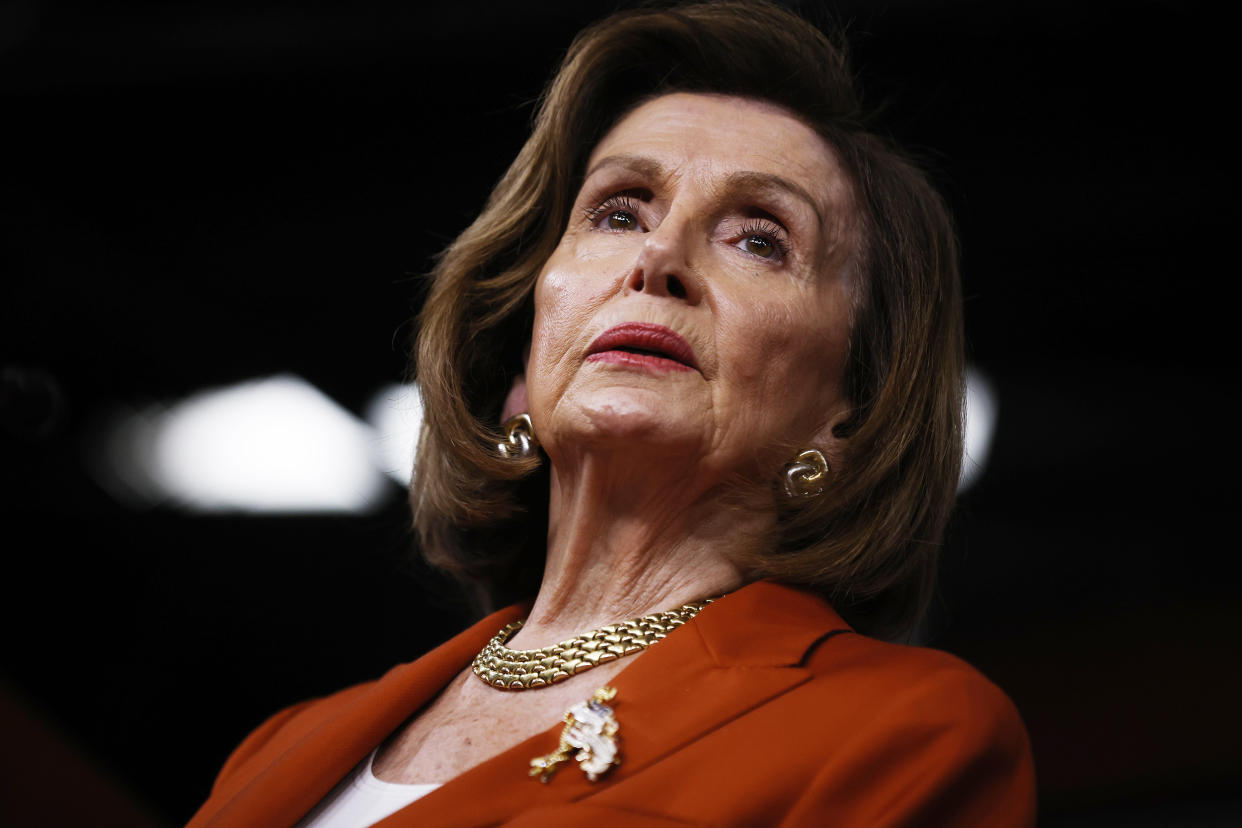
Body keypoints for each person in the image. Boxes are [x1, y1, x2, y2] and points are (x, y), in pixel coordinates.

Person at [187, 2, 1036, 825]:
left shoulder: (900, 734)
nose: (659, 257)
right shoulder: (277, 749)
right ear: (521, 359)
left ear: (849, 417)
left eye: (759, 238)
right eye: (618, 212)